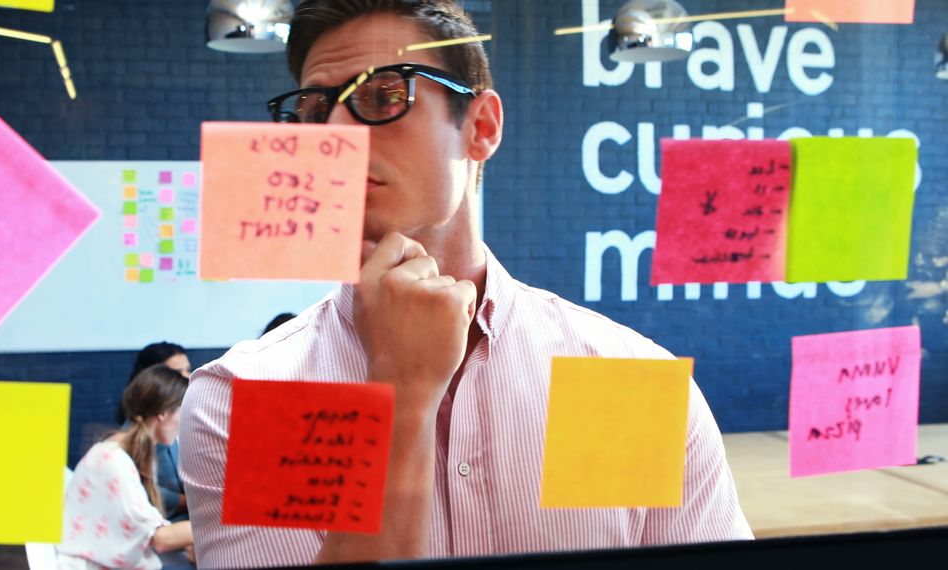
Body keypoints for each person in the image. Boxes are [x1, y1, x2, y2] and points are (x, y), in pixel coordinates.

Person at [179, 1, 753, 567]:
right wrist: (399, 395)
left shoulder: (625, 380)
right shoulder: (250, 396)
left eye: (382, 95)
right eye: (313, 109)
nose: (336, 134)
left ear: (481, 127)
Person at [59, 364, 195, 568]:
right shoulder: (112, 460)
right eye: (182, 411)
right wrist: (221, 525)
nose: (185, 421)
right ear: (164, 413)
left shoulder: (125, 454)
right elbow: (159, 538)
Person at [119, 342, 192, 522]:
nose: (187, 379)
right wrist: (192, 501)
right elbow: (143, 492)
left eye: (188, 370)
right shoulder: (130, 442)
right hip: (169, 520)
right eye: (176, 374)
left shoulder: (183, 418)